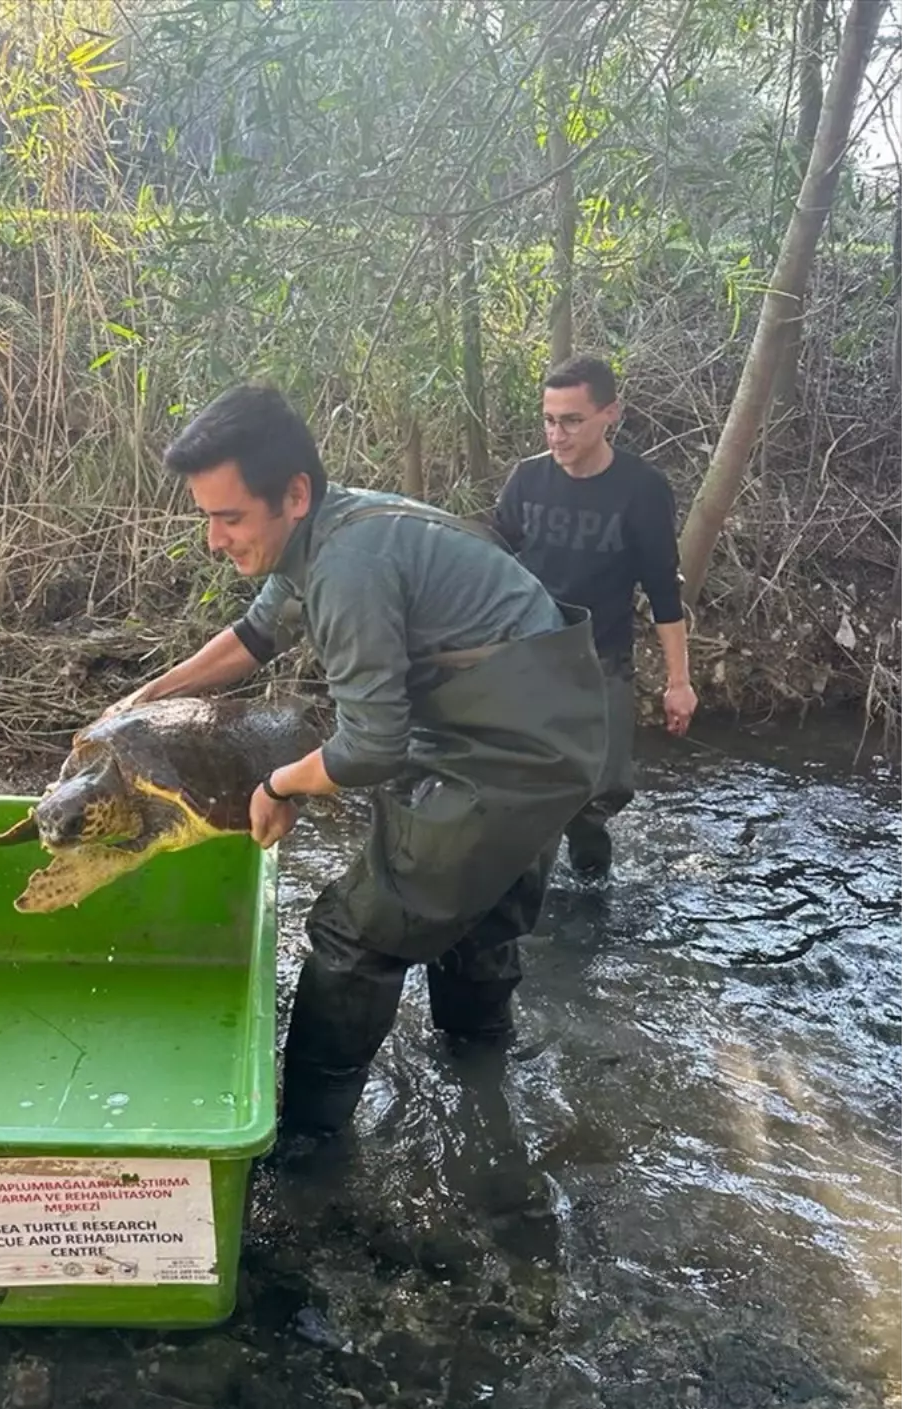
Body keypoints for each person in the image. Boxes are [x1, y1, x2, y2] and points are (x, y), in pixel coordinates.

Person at [107, 384, 607, 1136]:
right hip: (548, 720)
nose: (215, 540)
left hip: (517, 749)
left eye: (229, 518)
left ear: (294, 494)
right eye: (208, 516)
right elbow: (254, 635)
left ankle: (308, 1144)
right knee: (472, 919)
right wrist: (144, 701)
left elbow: (372, 746)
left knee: (355, 933)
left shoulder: (347, 569)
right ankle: (480, 1086)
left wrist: (279, 783)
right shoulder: (329, 523)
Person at [491, 355, 698, 879]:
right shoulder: (526, 480)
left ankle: (589, 901)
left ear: (611, 414)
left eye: (572, 421)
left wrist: (679, 682)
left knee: (595, 798)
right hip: (529, 658)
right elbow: (490, 566)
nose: (556, 435)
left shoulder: (641, 489)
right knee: (526, 794)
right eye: (549, 420)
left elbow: (662, 590)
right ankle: (522, 908)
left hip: (603, 661)